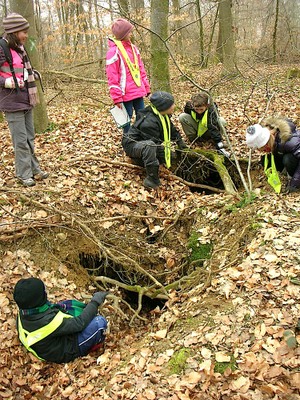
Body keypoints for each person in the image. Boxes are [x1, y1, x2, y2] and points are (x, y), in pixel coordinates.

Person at [0, 13, 48, 187]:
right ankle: (23, 173)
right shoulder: (2, 47)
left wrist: (31, 74)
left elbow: (22, 70)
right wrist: (6, 81)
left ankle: (34, 169)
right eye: (23, 32)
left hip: (27, 99)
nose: (26, 35)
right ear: (13, 32)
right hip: (11, 102)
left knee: (29, 137)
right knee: (20, 140)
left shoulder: (20, 48)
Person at [13, 277, 109, 363]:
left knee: (66, 304)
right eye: (43, 293)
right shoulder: (49, 322)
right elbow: (80, 323)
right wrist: (95, 302)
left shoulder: (24, 312)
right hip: (67, 350)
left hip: (49, 344)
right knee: (99, 323)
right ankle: (94, 345)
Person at [122, 91, 188, 189]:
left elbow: (171, 129)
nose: (174, 106)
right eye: (171, 105)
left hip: (147, 142)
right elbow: (154, 146)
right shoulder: (149, 122)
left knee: (172, 157)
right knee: (150, 146)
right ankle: (152, 179)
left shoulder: (161, 115)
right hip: (132, 145)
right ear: (164, 107)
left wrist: (180, 142)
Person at [106, 18, 151, 133]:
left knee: (142, 116)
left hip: (138, 90)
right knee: (126, 120)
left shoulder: (134, 49)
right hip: (124, 94)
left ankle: (141, 138)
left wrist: (146, 88)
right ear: (123, 34)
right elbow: (112, 77)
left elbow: (141, 70)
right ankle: (128, 142)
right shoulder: (113, 52)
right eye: (129, 32)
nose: (131, 34)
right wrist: (116, 98)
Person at [246, 116, 300, 193]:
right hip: (288, 155)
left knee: (287, 159)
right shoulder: (274, 139)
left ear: (266, 143)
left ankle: (292, 177)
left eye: (264, 149)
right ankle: (286, 173)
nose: (265, 151)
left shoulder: (289, 141)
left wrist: (294, 184)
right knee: (266, 159)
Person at [179, 92, 230, 157]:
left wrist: (219, 144)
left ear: (206, 106)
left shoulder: (211, 110)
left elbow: (213, 126)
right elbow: (187, 116)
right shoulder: (189, 107)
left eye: (201, 109)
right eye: (196, 109)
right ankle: (194, 140)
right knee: (182, 116)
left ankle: (212, 140)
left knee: (221, 121)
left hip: (208, 130)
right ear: (192, 105)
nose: (199, 111)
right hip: (197, 130)